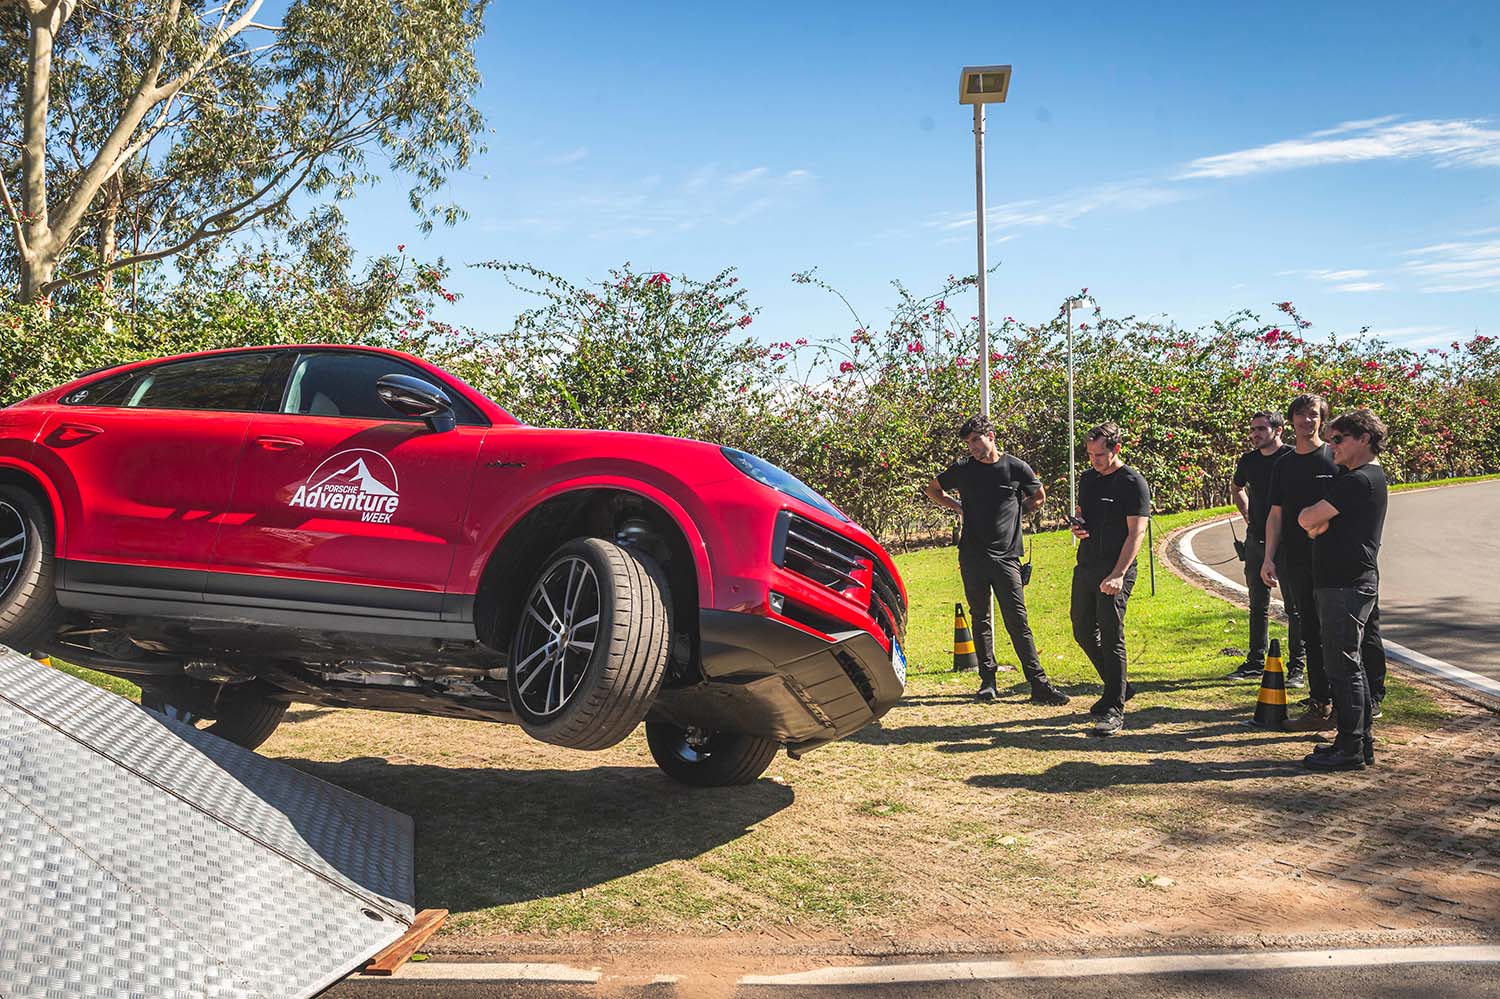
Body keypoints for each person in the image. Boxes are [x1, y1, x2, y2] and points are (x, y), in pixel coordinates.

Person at [925, 414, 1070, 706]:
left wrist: (1019, 512)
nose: (973, 447)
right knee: (980, 618)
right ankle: (987, 681)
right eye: (968, 443)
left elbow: (1039, 496)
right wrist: (959, 508)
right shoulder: (963, 469)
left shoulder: (1015, 467)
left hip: (1007, 557)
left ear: (991, 436)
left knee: (1017, 620)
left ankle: (1038, 685)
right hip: (972, 556)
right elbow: (932, 489)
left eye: (976, 440)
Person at [1296, 409, 1389, 771]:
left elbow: (1306, 520)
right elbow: (1313, 525)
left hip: (1345, 584)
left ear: (1363, 438)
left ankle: (1351, 748)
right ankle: (1356, 742)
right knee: (1351, 664)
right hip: (1347, 581)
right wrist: (1317, 523)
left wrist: (1316, 522)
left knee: (1344, 666)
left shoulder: (1358, 481)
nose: (1330, 445)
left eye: (1338, 439)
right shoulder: (1360, 478)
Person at [1069, 422, 1151, 736]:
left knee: (1110, 631)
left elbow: (1137, 533)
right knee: (1082, 630)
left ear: (1116, 449)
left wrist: (1117, 574)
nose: (1094, 461)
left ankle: (1115, 708)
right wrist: (1078, 526)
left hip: (1116, 568)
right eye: (1090, 455)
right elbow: (1083, 513)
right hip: (1087, 565)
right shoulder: (1088, 479)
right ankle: (1119, 687)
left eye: (1100, 455)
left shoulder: (1133, 483)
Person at [1261, 394, 1336, 727]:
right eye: (1302, 415)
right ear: (1291, 421)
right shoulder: (1284, 465)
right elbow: (1275, 515)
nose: (1309, 421)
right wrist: (1268, 558)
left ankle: (1347, 701)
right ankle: (1321, 702)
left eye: (1315, 415)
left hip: (1333, 561)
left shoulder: (1333, 458)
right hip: (1296, 560)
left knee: (1337, 632)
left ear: (1322, 419)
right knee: (1310, 632)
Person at [1226, 411, 1294, 681]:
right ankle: (1255, 661)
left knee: (1295, 607)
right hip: (1256, 539)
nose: (1255, 434)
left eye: (1261, 429)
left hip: (1289, 543)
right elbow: (1237, 487)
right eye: (1253, 429)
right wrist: (1247, 514)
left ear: (1278, 431)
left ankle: (1297, 668)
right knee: (1257, 604)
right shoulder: (1248, 461)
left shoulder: (1291, 458)